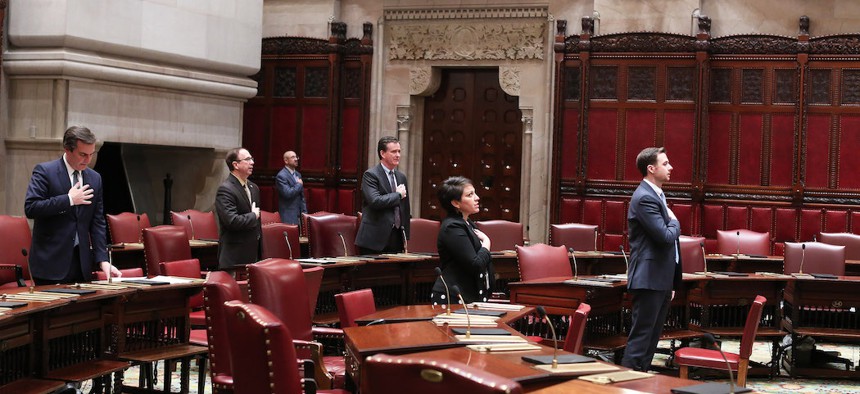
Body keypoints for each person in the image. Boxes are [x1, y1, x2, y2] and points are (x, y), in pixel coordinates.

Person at [24, 126, 121, 284]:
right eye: (83, 154)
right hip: (50, 263)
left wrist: (102, 259)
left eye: (91, 154)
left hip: (81, 264)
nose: (88, 160)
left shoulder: (95, 178)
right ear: (67, 149)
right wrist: (68, 200)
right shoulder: (45, 171)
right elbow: (31, 208)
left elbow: (97, 223)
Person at [621, 146, 683, 372]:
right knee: (641, 340)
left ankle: (641, 381)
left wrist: (670, 281)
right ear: (651, 168)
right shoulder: (645, 198)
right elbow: (666, 237)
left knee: (651, 341)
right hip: (648, 279)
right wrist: (675, 221)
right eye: (665, 163)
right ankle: (627, 385)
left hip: (659, 279)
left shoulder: (656, 194)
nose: (670, 167)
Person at [430, 176, 493, 305]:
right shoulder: (452, 227)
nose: (477, 198)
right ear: (456, 203)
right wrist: (487, 243)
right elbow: (475, 265)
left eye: (474, 193)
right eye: (470, 195)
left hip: (467, 296)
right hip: (453, 297)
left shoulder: (467, 223)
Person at [355, 136, 410, 254]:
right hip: (374, 239)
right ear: (382, 153)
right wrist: (398, 195)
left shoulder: (401, 177)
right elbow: (375, 201)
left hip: (396, 237)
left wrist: (406, 238)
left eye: (399, 151)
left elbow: (405, 208)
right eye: (394, 151)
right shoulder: (370, 175)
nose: (398, 155)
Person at [215, 147, 262, 269]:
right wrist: (253, 216)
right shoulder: (226, 189)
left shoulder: (254, 188)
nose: (252, 162)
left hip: (253, 256)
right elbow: (231, 221)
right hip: (234, 257)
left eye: (252, 159)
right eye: (247, 159)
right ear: (235, 164)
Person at [275, 150, 306, 225]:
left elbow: (301, 196)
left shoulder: (298, 174)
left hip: (300, 214)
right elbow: (287, 194)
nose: (296, 159)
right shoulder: (281, 176)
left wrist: (304, 212)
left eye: (296, 157)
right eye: (293, 157)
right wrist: (298, 185)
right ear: (286, 161)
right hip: (288, 215)